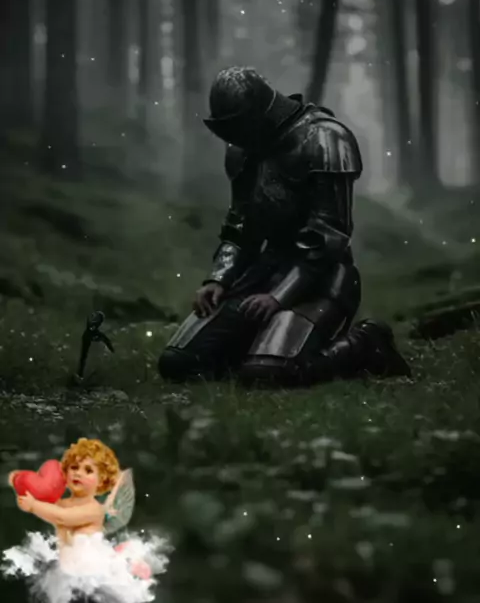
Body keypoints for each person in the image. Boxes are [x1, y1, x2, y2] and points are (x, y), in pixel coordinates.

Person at [158, 66, 411, 388]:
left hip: (322, 278)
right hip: (263, 272)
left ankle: (365, 344)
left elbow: (328, 234)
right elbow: (241, 225)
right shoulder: (243, 149)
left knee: (268, 374)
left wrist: (279, 297)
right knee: (179, 362)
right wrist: (219, 278)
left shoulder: (324, 138)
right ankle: (254, 347)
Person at [3, 438, 169, 603]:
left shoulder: (94, 510)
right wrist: (19, 481)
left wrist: (33, 506)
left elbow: (62, 517)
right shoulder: (62, 504)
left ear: (101, 481)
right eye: (74, 467)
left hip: (93, 577)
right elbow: (48, 506)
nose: (78, 473)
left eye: (88, 470)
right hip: (69, 574)